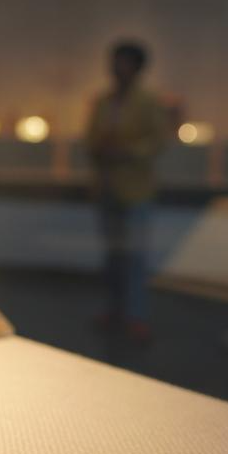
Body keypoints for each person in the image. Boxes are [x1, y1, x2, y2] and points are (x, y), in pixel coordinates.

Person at [85, 40, 167, 340]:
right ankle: (114, 308)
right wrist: (99, 149)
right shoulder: (104, 101)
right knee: (112, 256)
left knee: (135, 256)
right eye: (116, 61)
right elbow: (90, 136)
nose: (119, 68)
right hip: (108, 186)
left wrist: (128, 152)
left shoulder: (148, 101)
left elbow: (158, 140)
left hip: (136, 190)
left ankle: (136, 314)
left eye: (125, 62)